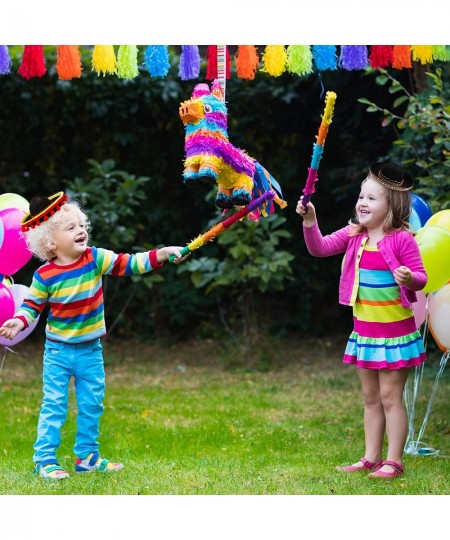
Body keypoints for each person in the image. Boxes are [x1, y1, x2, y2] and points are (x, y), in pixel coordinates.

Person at [0, 192, 188, 480]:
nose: (81, 230)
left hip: (90, 351)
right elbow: (32, 306)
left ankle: (87, 458)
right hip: (58, 353)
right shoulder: (45, 275)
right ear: (51, 242)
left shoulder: (95, 258)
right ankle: (45, 460)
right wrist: (17, 321)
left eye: (81, 224)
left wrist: (160, 254)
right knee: (54, 405)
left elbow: (130, 263)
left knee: (91, 404)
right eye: (71, 227)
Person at [296, 162, 427, 479]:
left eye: (372, 198)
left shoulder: (402, 240)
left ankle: (393, 460)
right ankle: (371, 457)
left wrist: (410, 277)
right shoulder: (355, 234)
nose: (362, 203)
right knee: (371, 398)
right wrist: (310, 221)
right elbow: (320, 248)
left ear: (391, 205)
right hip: (365, 333)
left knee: (389, 398)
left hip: (396, 335)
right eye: (361, 196)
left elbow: (421, 279)